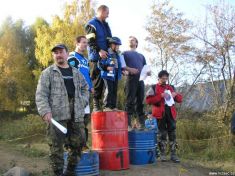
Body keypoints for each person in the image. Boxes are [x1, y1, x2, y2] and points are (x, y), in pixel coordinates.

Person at [35, 44, 89, 175]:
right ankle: (58, 173)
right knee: (56, 148)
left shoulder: (76, 73)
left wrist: (82, 102)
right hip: (56, 115)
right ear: (54, 56)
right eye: (56, 53)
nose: (58, 55)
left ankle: (70, 172)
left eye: (61, 52)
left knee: (79, 143)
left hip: (76, 114)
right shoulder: (47, 73)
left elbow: (85, 88)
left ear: (66, 54)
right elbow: (41, 94)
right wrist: (45, 111)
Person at [146, 70, 182, 163]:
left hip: (170, 113)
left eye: (166, 78)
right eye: (163, 78)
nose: (165, 80)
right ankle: (163, 155)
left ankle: (173, 155)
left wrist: (175, 95)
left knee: (172, 134)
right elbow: (148, 101)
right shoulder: (153, 87)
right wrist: (160, 95)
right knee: (162, 134)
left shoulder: (171, 87)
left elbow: (180, 99)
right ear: (159, 78)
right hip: (159, 114)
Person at [98, 37, 139, 111]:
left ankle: (113, 107)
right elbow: (99, 64)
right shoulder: (106, 53)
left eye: (119, 46)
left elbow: (118, 65)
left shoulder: (117, 55)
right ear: (112, 45)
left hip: (115, 76)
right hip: (107, 75)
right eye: (117, 45)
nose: (118, 47)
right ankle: (106, 106)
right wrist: (106, 68)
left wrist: (122, 71)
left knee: (114, 91)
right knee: (109, 90)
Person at [67, 36, 93, 148]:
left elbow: (87, 75)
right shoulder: (72, 57)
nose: (85, 45)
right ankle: (70, 145)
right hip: (75, 92)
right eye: (83, 42)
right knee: (74, 119)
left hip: (85, 93)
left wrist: (91, 87)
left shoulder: (85, 60)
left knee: (85, 119)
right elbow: (69, 73)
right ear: (77, 43)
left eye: (86, 43)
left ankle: (83, 144)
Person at [85, 5, 112, 112]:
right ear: (102, 11)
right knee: (97, 81)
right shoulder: (92, 24)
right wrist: (99, 50)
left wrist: (112, 50)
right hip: (96, 57)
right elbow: (90, 41)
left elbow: (110, 39)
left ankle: (107, 105)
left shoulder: (106, 25)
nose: (108, 15)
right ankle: (96, 105)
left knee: (108, 80)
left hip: (107, 57)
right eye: (107, 13)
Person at [123, 36, 150, 129]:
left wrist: (148, 72)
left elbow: (146, 68)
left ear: (136, 43)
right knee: (129, 101)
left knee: (140, 101)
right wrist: (126, 71)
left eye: (133, 40)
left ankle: (141, 124)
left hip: (141, 80)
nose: (131, 41)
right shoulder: (124, 53)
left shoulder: (141, 56)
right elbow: (122, 66)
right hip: (130, 79)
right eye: (129, 40)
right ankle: (128, 124)